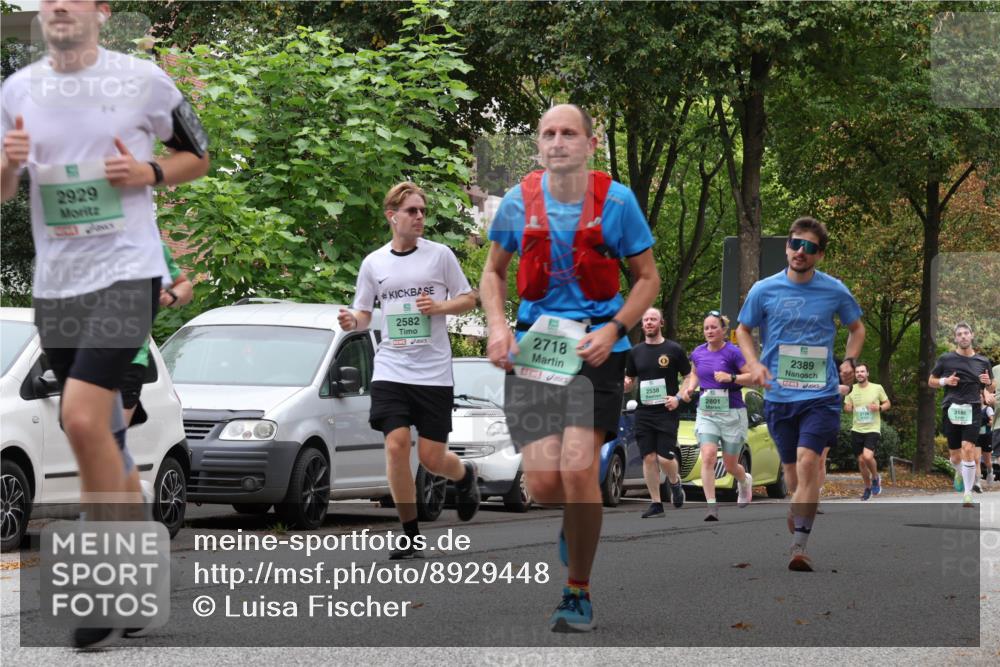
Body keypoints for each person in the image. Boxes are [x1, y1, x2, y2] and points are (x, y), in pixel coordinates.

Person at [1, 0, 209, 649]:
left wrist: (147, 171)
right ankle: (141, 578)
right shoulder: (17, 90)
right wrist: (9, 162)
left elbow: (197, 155)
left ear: (99, 10)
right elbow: (4, 189)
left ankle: (106, 581)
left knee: (84, 419)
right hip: (58, 288)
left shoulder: (144, 82)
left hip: (128, 272)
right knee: (107, 438)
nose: (58, 5)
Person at [481, 104, 659, 632]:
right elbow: (492, 273)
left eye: (568, 133)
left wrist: (615, 329)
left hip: (596, 348)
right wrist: (497, 326)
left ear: (589, 143)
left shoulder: (618, 202)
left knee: (581, 469)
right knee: (545, 485)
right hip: (537, 350)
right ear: (539, 145)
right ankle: (574, 523)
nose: (558, 142)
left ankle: (576, 590)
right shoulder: (518, 202)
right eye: (548, 134)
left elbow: (647, 278)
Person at [338, 181, 480, 560]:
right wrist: (353, 321)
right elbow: (364, 311)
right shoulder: (374, 263)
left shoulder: (441, 256)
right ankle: (410, 532)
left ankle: (465, 476)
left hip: (433, 371)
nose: (420, 217)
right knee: (396, 445)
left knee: (433, 458)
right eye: (412, 211)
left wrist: (439, 308)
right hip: (391, 367)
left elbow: (469, 298)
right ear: (392, 217)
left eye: (422, 211)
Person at [736, 217, 864, 572]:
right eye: (795, 244)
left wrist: (850, 360)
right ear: (787, 247)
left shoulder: (835, 290)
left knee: (810, 463)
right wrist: (754, 364)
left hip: (820, 395)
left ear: (819, 255)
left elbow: (857, 328)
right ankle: (798, 506)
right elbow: (743, 329)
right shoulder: (764, 289)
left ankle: (799, 546)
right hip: (778, 396)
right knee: (792, 476)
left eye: (809, 247)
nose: (800, 252)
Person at [678, 311, 753, 521]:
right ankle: (711, 506)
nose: (709, 331)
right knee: (709, 455)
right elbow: (694, 372)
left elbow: (751, 377)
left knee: (730, 465)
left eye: (713, 327)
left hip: (732, 413)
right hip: (707, 412)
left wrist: (732, 377)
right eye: (706, 328)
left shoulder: (733, 352)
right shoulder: (698, 352)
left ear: (723, 330)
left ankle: (744, 480)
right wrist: (690, 388)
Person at [624, 308, 691, 518]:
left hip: (666, 411)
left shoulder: (674, 349)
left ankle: (674, 481)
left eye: (653, 319)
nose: (649, 322)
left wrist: (678, 398)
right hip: (644, 412)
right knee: (648, 458)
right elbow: (630, 382)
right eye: (646, 320)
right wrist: (625, 384)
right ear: (642, 325)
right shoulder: (635, 352)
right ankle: (656, 503)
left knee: (664, 458)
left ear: (661, 323)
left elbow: (689, 377)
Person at [121, 242, 194, 427]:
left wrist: (170, 296)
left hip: (130, 358)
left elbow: (185, 286)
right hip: (86, 354)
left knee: (108, 437)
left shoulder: (150, 246)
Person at [928, 322, 994, 507]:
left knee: (968, 449)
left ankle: (967, 493)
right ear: (955, 338)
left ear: (972, 336)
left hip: (973, 409)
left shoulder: (983, 361)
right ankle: (958, 470)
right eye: (960, 334)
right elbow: (930, 381)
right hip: (952, 409)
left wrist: (988, 382)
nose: (963, 336)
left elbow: (991, 387)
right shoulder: (946, 359)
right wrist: (945, 380)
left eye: (966, 333)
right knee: (956, 456)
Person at [843, 362, 890, 501]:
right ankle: (868, 487)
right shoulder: (851, 389)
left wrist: (879, 408)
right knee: (862, 462)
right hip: (857, 429)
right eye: (857, 372)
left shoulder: (877, 388)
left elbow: (888, 403)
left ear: (867, 373)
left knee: (868, 456)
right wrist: (849, 408)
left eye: (862, 371)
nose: (860, 374)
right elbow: (846, 407)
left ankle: (875, 477)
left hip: (872, 428)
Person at [979, 388, 995, 487]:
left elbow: (992, 421)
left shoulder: (987, 409)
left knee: (987, 461)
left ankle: (990, 471)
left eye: (980, 396)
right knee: (975, 459)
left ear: (983, 398)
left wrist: (987, 423)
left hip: (986, 437)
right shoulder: (972, 409)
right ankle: (976, 480)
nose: (978, 398)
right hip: (975, 437)